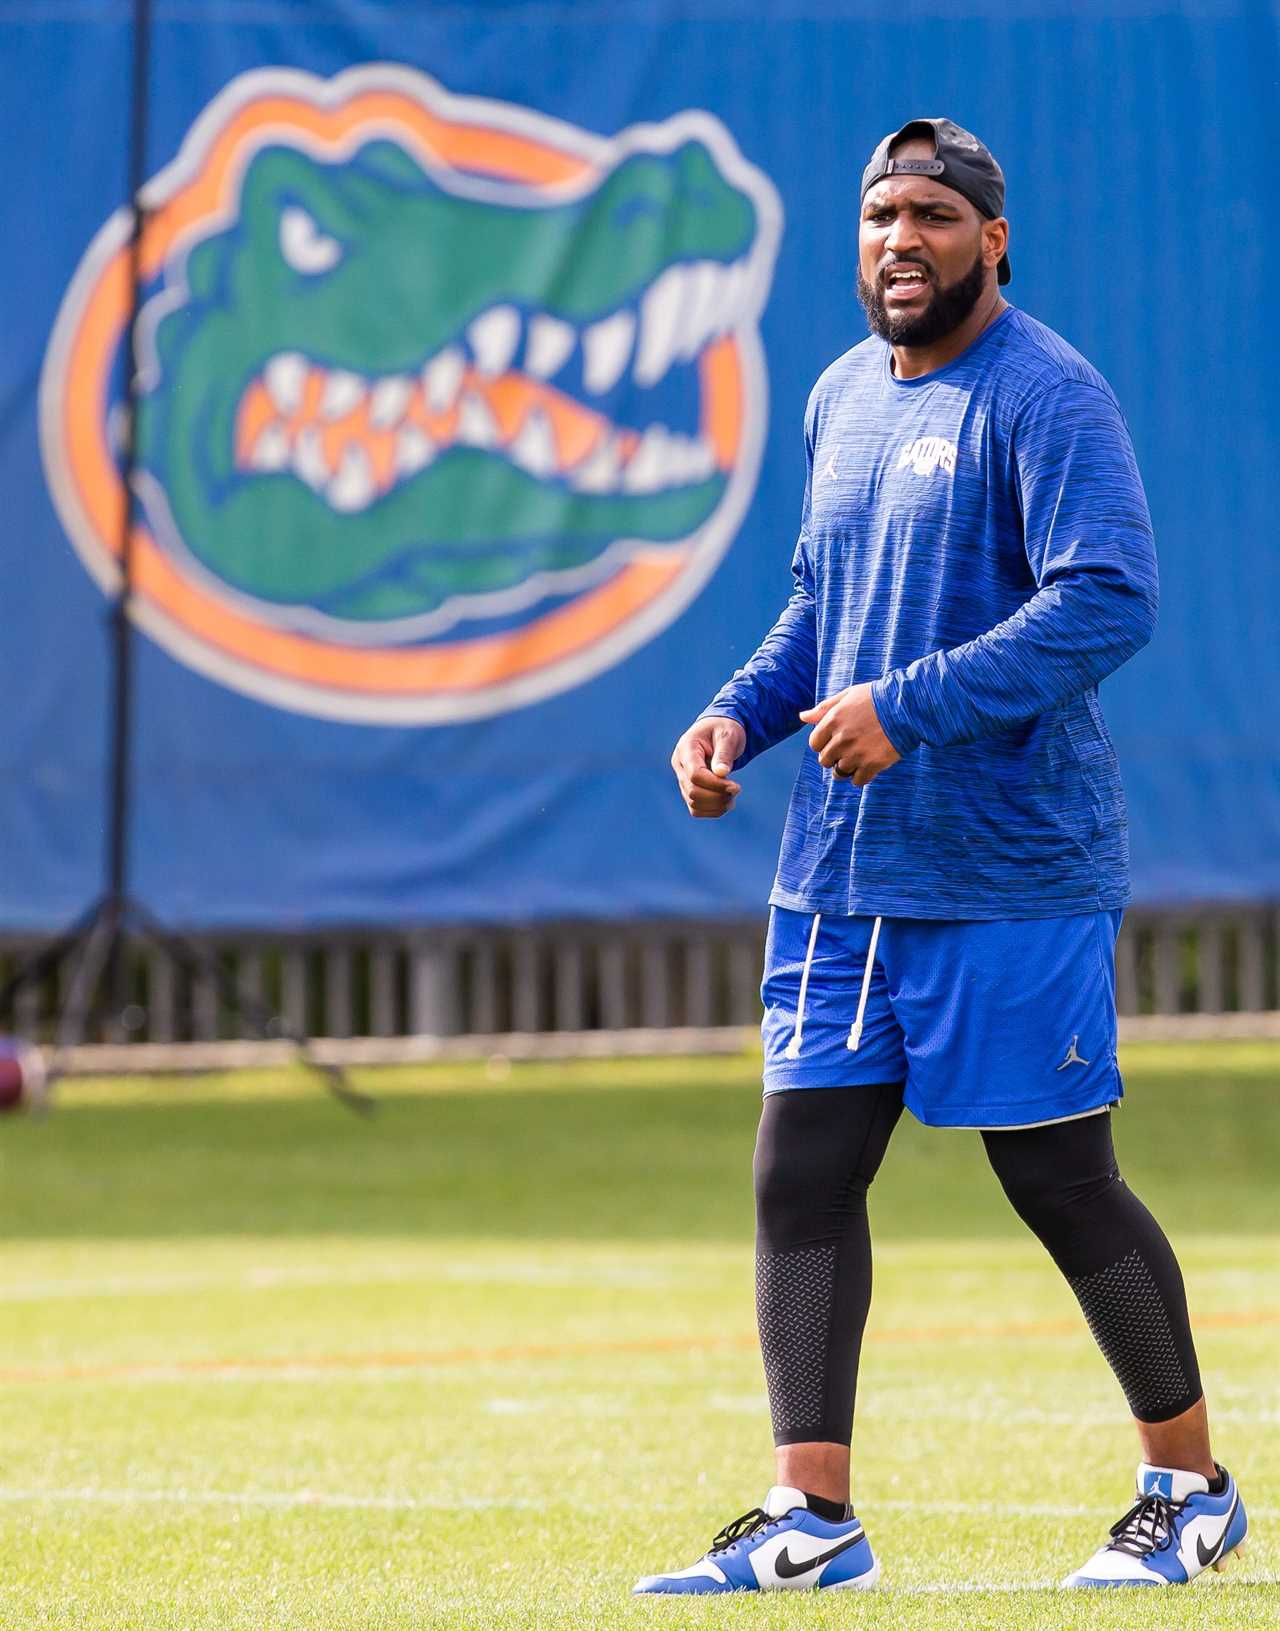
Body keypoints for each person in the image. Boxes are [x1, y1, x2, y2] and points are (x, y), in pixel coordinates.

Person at [638, 117, 1247, 1595]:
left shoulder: (1047, 393)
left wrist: (908, 708)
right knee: (801, 1172)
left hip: (1008, 869)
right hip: (840, 874)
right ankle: (812, 1518)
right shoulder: (843, 394)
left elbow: (1109, 598)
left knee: (1055, 1176)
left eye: (929, 214)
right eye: (877, 216)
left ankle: (1192, 1486)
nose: (897, 240)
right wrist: (736, 715)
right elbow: (818, 612)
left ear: (992, 237)